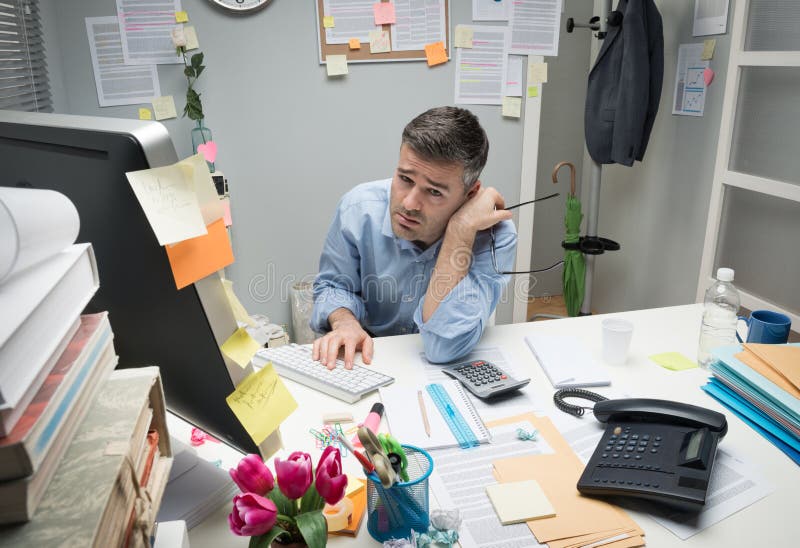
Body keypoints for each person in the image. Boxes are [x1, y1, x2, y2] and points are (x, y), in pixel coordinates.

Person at [310, 106, 517, 368]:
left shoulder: (495, 236)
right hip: (367, 359)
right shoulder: (357, 209)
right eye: (405, 178)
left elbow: (443, 347)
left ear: (470, 194)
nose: (409, 203)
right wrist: (345, 322)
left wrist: (459, 233)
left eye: (434, 192)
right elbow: (334, 286)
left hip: (442, 371)